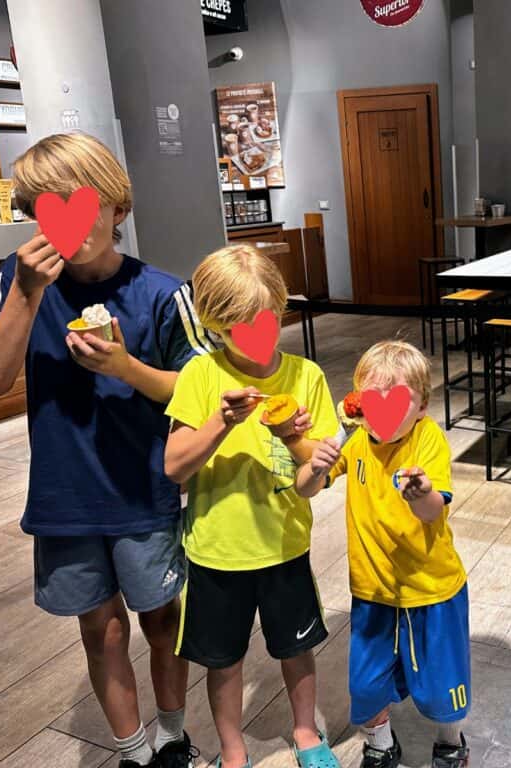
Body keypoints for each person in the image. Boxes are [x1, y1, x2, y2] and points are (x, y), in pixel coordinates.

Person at [0, 132, 209, 768]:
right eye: (45, 207)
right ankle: (133, 751)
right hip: (64, 491)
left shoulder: (162, 292)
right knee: (98, 627)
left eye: (83, 203)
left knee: (163, 621)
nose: (69, 223)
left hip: (143, 488)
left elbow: (199, 391)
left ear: (117, 209)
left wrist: (127, 366)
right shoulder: (16, 279)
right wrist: (27, 292)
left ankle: (173, 739)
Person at [164, 245, 341, 768]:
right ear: (215, 324)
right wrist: (222, 422)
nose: (257, 340)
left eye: (266, 321)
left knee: (297, 647)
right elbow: (174, 467)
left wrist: (292, 437)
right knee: (223, 660)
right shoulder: (201, 377)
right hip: (217, 550)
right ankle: (233, 749)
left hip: (284, 544)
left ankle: (306, 733)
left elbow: (315, 481)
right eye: (238, 327)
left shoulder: (304, 376)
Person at [298, 341, 471, 768]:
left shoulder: (427, 439)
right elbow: (307, 488)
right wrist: (315, 462)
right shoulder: (355, 443)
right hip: (372, 591)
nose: (382, 413)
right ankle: (379, 743)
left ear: (422, 407)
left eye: (396, 401)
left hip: (431, 590)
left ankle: (450, 741)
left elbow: (434, 511)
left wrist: (421, 492)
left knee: (440, 681)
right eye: (369, 400)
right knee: (367, 682)